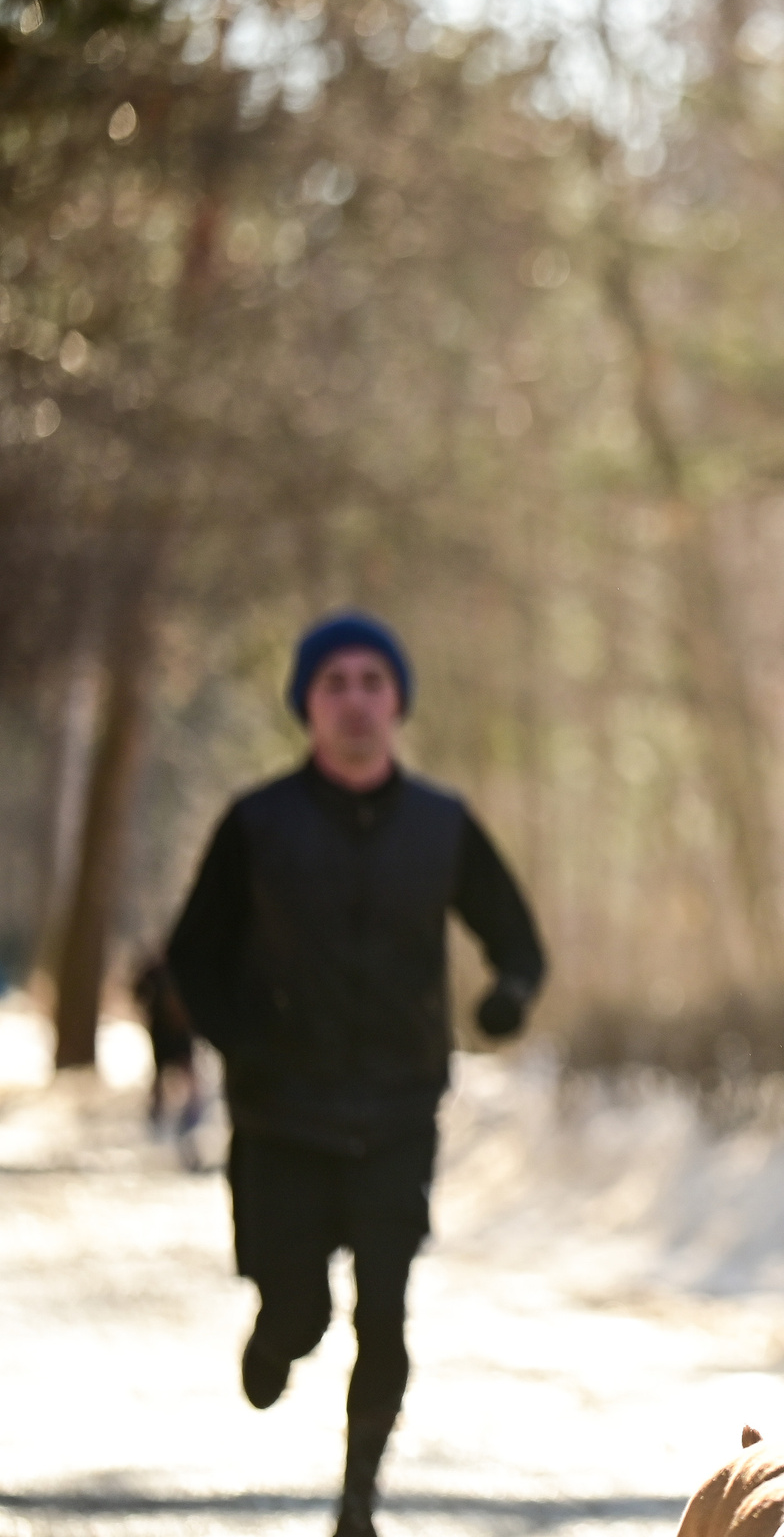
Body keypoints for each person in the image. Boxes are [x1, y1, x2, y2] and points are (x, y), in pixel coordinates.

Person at [164, 611, 545, 1537]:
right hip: (281, 1116)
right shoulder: (258, 823)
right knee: (299, 1311)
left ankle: (358, 1503)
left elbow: (516, 939)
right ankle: (278, 1334)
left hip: (396, 1111)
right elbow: (191, 956)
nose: (356, 701)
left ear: (398, 702)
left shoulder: (441, 824)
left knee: (385, 1312)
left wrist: (507, 995)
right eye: (334, 683)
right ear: (307, 705)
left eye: (374, 682)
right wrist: (244, 1040)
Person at [131, 951, 208, 1168]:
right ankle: (156, 1115)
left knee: (187, 1075)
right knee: (161, 1075)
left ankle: (190, 1114)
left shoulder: (183, 969)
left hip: (180, 1034)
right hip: (163, 1033)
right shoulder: (157, 970)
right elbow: (137, 992)